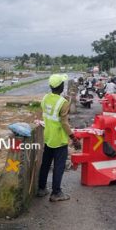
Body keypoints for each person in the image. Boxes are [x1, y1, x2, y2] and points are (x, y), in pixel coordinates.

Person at [37, 73, 79, 202]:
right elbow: (64, 123)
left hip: (48, 137)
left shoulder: (44, 99)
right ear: (60, 86)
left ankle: (41, 189)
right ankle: (56, 193)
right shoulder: (63, 103)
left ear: (50, 86)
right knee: (59, 166)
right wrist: (74, 138)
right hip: (59, 139)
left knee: (45, 164)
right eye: (63, 84)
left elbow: (47, 116)